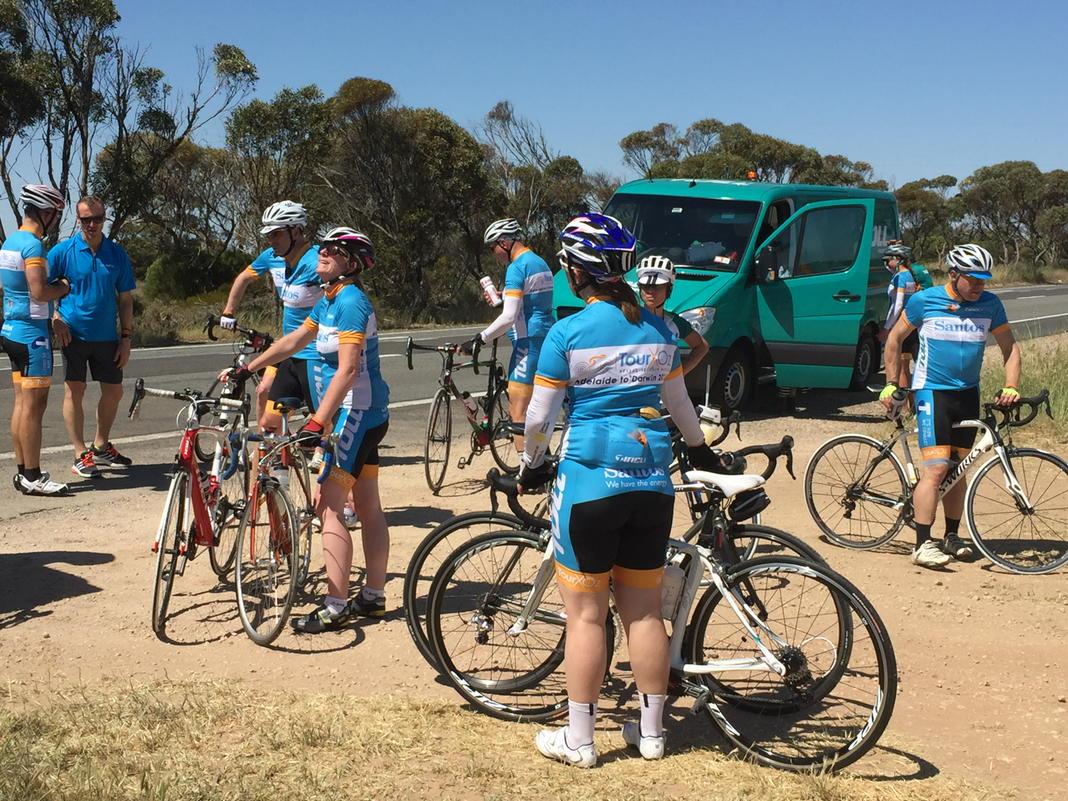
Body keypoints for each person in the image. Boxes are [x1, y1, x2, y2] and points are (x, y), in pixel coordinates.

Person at [517, 213, 723, 767]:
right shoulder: (659, 327)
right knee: (643, 612)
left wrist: (529, 462)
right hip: (652, 484)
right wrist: (701, 448)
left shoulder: (567, 332)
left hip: (590, 482)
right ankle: (652, 734)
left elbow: (539, 418)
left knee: (585, 616)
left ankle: (580, 740)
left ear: (575, 271)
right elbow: (680, 408)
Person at [223, 227, 390, 631]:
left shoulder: (350, 301)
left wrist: (319, 421)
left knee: (330, 506)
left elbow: (349, 369)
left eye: (332, 251)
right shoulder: (329, 299)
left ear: (350, 263)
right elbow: (295, 339)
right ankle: (373, 596)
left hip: (357, 413)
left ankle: (336, 605)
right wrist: (251, 366)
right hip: (362, 412)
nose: (323, 254)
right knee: (366, 503)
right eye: (325, 248)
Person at [881, 243, 1021, 569]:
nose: (979, 286)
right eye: (973, 279)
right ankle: (922, 544)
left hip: (967, 394)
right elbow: (894, 338)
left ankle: (952, 535)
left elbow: (1010, 348)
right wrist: (893, 383)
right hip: (932, 393)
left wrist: (1011, 385)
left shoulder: (990, 304)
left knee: (958, 471)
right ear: (954, 274)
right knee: (937, 468)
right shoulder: (925, 301)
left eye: (984, 280)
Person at [48, 196, 136, 478]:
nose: (92, 224)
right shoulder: (62, 252)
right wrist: (55, 318)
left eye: (97, 218)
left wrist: (126, 337)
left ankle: (101, 445)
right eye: (86, 219)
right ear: (78, 219)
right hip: (72, 334)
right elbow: (41, 291)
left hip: (107, 336)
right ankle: (79, 452)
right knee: (75, 390)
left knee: (114, 390)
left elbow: (125, 299)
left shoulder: (116, 254)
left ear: (104, 218)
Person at [219, 200, 322, 429]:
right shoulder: (271, 256)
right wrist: (229, 311)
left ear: (295, 231)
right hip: (285, 347)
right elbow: (244, 277)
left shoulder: (316, 263)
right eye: (268, 235)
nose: (271, 241)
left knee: (321, 423)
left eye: (276, 234)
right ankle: (267, 454)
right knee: (263, 393)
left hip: (315, 352)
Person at [1, 184, 72, 496]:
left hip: (11, 330)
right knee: (34, 407)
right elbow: (40, 292)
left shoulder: (10, 241)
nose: (56, 221)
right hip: (33, 337)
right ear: (46, 212)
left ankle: (22, 471)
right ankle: (33, 474)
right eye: (56, 215)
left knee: (21, 404)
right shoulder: (33, 246)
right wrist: (64, 287)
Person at [463, 218, 554, 451]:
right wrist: (503, 297)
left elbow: (509, 317)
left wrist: (481, 337)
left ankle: (528, 470)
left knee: (518, 410)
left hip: (527, 342)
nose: (494, 254)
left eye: (493, 247)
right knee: (539, 406)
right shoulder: (539, 262)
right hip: (547, 337)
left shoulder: (516, 267)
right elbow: (532, 300)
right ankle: (541, 458)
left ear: (505, 242)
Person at [634, 255, 710, 375]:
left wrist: (678, 375)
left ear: (668, 289)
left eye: (657, 286)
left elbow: (702, 347)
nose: (650, 291)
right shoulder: (629, 318)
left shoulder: (675, 322)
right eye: (645, 286)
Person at [877, 242, 920, 390]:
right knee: (916, 363)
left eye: (888, 260)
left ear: (898, 259)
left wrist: (887, 328)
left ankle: (903, 406)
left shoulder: (900, 277)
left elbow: (897, 304)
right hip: (913, 323)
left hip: (901, 325)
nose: (886, 264)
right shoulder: (909, 275)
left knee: (900, 367)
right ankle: (912, 406)